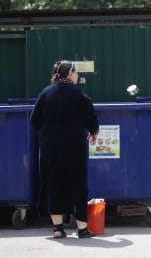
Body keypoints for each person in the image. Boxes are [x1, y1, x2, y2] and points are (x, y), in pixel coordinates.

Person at [31, 60, 99, 239]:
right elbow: (90, 115)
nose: (78, 76)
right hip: (74, 147)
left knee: (54, 184)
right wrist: (93, 131)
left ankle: (58, 229)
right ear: (70, 73)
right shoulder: (78, 93)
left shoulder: (46, 92)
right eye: (76, 73)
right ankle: (82, 229)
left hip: (50, 148)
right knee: (78, 185)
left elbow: (34, 120)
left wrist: (47, 134)